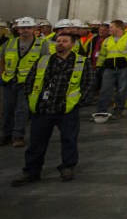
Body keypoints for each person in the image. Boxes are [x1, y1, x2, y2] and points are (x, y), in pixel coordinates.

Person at [11, 32, 93, 186]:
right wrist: (30, 97)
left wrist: (78, 102)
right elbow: (30, 79)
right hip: (43, 108)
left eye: (64, 41)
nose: (60, 43)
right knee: (36, 142)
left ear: (72, 45)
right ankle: (31, 171)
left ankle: (67, 167)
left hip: (66, 109)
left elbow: (88, 83)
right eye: (58, 41)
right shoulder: (44, 60)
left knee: (69, 140)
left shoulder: (81, 62)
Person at [1, 17, 49, 147]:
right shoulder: (9, 43)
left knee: (22, 110)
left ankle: (18, 136)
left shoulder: (42, 44)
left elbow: (45, 64)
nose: (25, 30)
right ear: (18, 29)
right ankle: (5, 134)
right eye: (22, 28)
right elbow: (2, 61)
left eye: (28, 28)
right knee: (6, 109)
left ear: (34, 29)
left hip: (28, 83)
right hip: (9, 81)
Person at [96, 20, 127, 120]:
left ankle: (118, 111)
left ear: (119, 28)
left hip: (124, 68)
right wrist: (99, 66)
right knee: (105, 90)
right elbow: (102, 54)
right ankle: (101, 112)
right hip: (109, 69)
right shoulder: (107, 40)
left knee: (122, 91)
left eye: (112, 27)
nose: (109, 29)